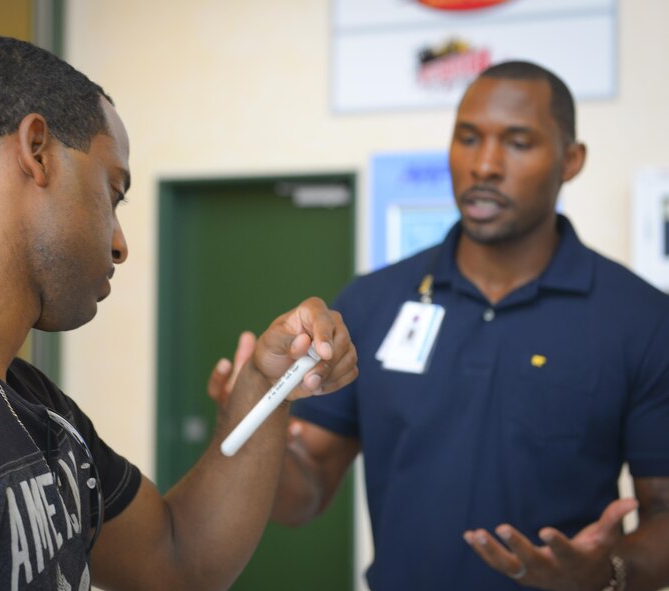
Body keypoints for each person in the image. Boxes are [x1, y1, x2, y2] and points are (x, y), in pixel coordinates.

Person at [0, 36, 358, 590]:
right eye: (112, 194)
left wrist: (264, 385)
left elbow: (178, 559)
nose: (119, 244)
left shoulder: (30, 400)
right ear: (36, 151)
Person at [209, 61, 669, 590]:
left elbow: (662, 514)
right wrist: (251, 423)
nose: (485, 165)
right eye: (467, 138)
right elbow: (301, 497)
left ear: (571, 160)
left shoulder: (642, 319)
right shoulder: (372, 302)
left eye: (518, 142)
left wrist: (610, 571)